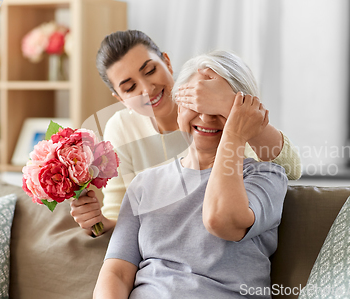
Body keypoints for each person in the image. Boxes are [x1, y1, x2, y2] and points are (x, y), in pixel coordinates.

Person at [93, 50, 288, 299]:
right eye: (196, 104)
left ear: (244, 116)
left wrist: (236, 134)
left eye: (218, 106)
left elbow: (221, 220)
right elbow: (117, 273)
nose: (206, 117)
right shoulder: (144, 184)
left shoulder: (267, 176)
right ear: (178, 106)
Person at [70, 30, 300, 236]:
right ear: (120, 99)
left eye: (150, 71)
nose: (147, 90)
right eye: (130, 88)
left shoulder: (220, 114)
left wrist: (228, 105)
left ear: (167, 62)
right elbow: (124, 219)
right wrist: (98, 223)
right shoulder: (120, 128)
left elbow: (289, 169)